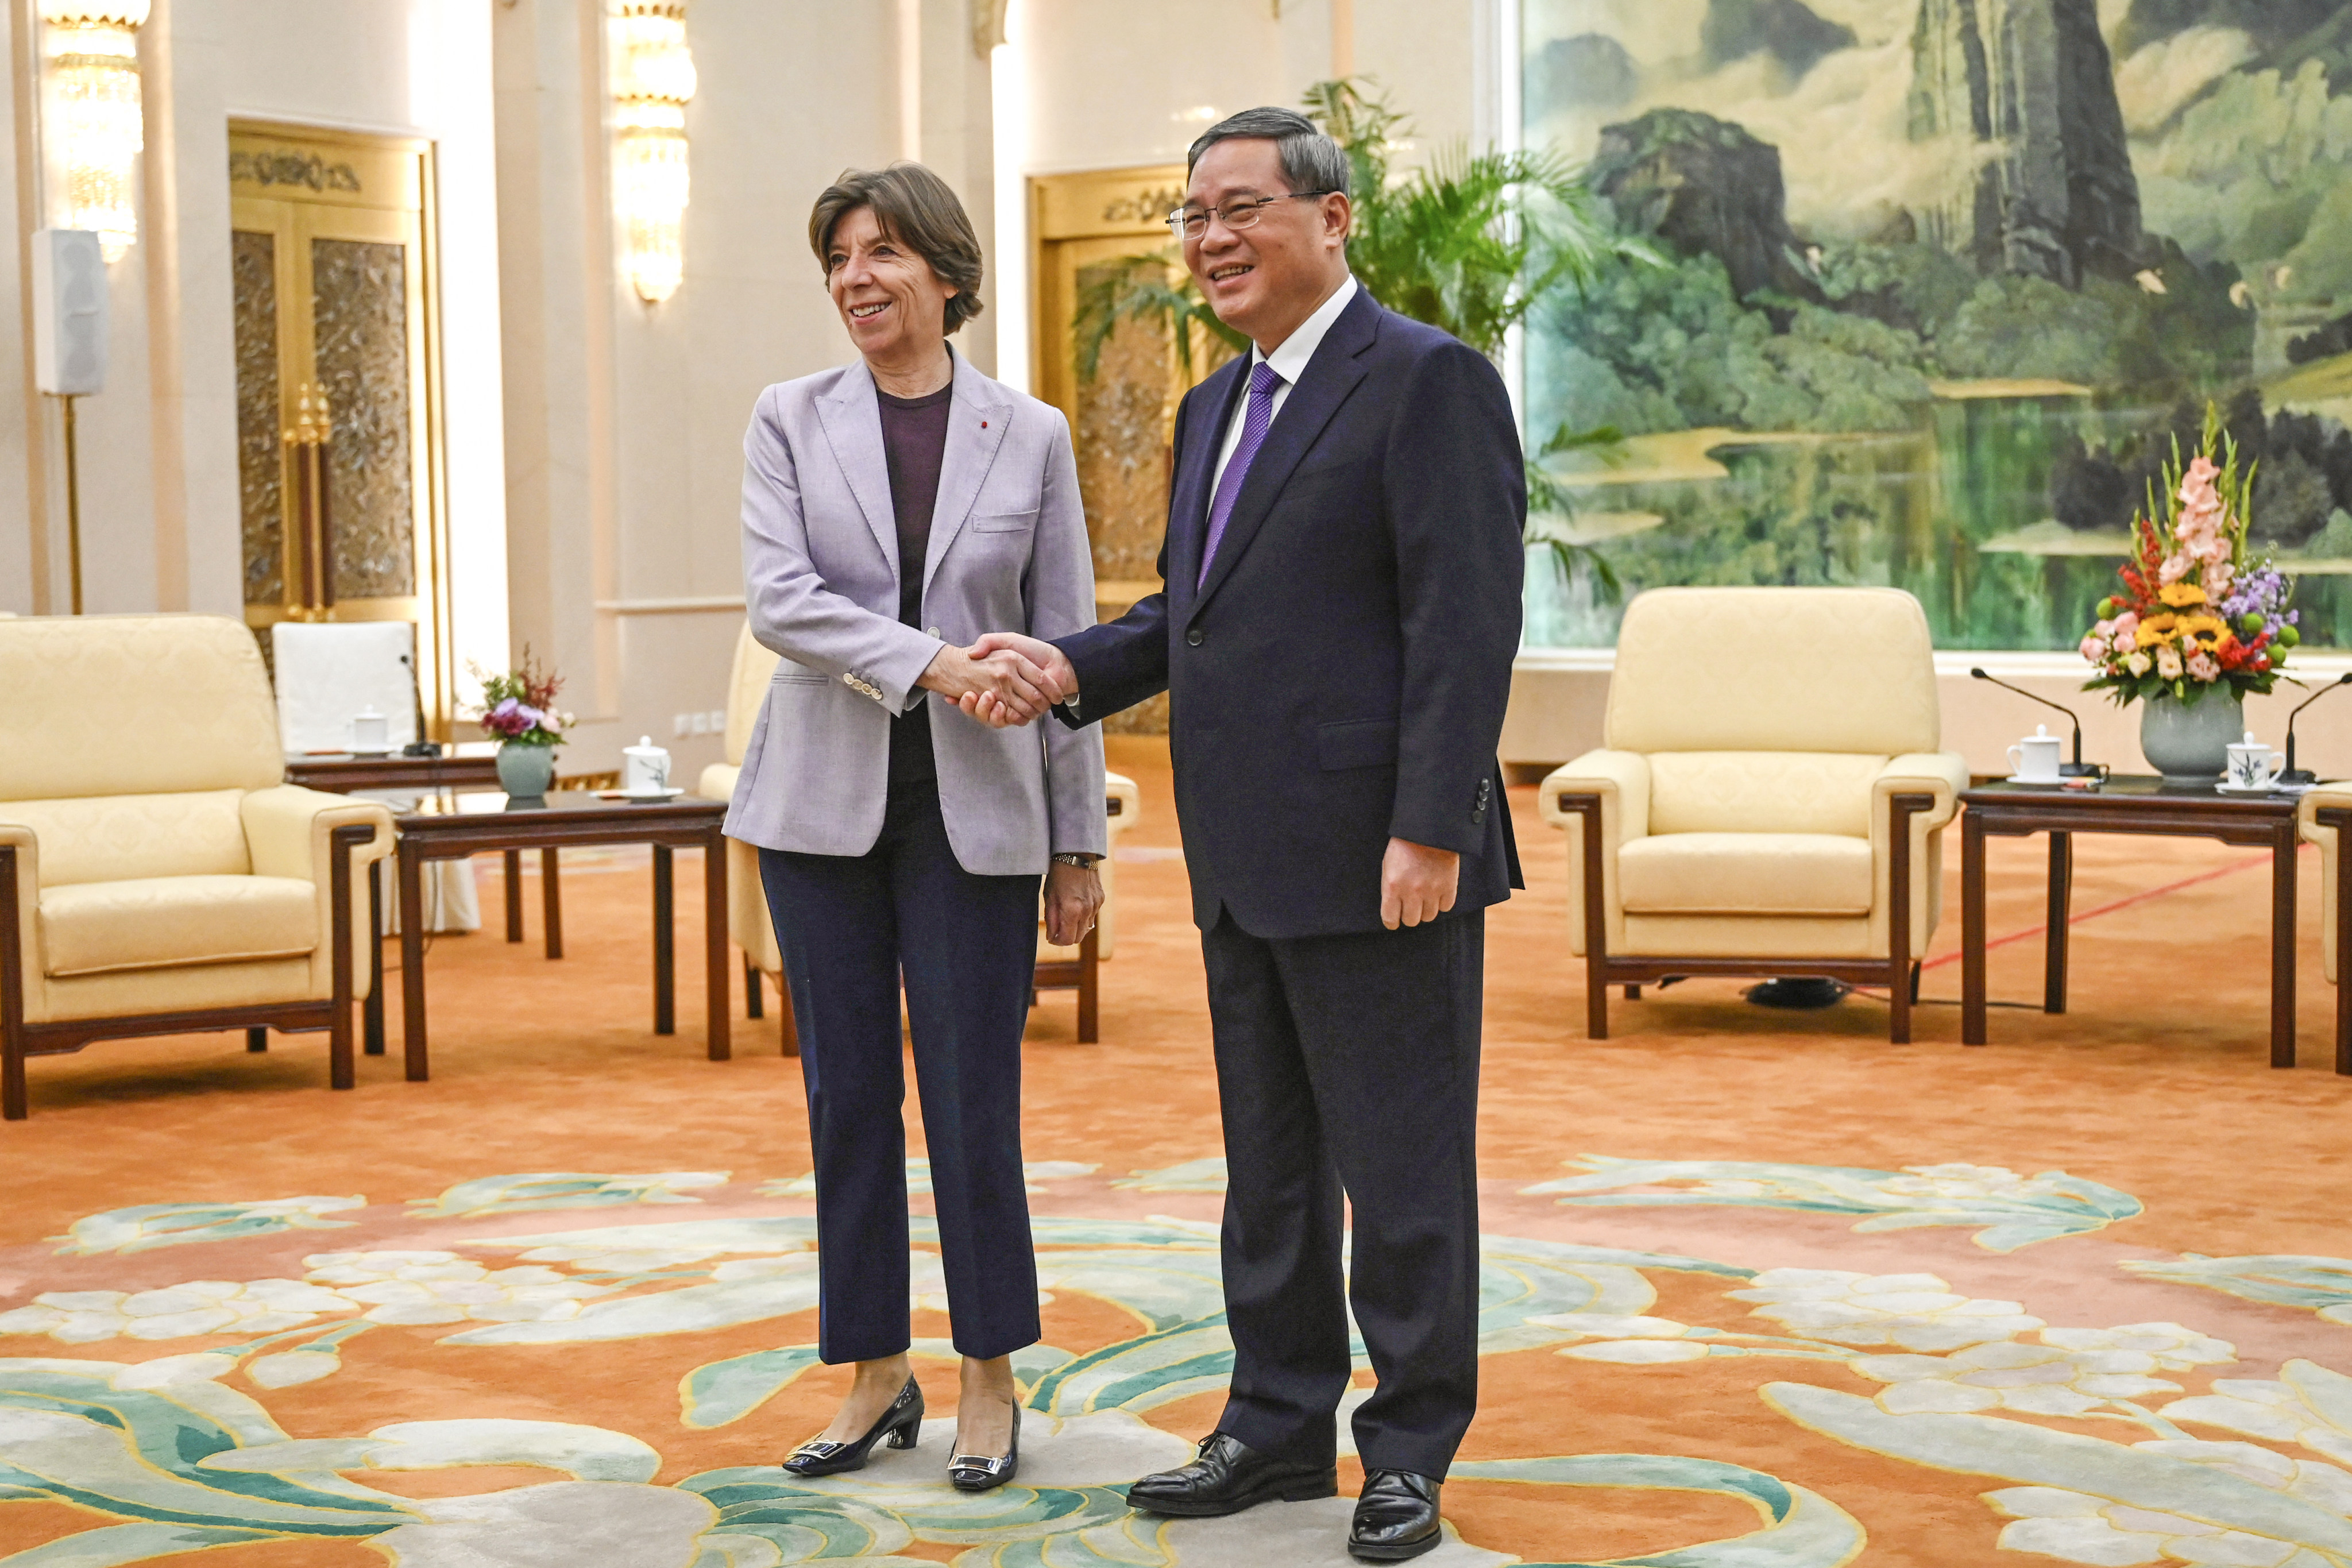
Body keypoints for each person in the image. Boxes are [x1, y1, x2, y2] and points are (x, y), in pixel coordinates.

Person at [963, 108, 1523, 1561]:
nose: (1209, 238)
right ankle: (1273, 1429)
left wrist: (1430, 829)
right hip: (1242, 855)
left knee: (1401, 1172)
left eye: (1241, 208)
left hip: (1385, 858)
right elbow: (1190, 618)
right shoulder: (1214, 406)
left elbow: (1460, 630)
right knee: (1269, 1168)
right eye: (1192, 215)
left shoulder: (1425, 382)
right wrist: (1067, 669)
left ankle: (1405, 1451)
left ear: (1332, 222)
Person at [723, 161, 1106, 1494]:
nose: (854, 277)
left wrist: (1078, 844)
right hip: (818, 812)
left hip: (978, 816)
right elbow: (781, 601)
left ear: (944, 271)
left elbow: (1063, 650)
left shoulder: (1033, 432)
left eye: (881, 251)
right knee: (846, 1100)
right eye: (836, 256)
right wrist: (937, 664)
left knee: (971, 1102)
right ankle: (873, 1373)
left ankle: (990, 1375)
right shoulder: (787, 417)